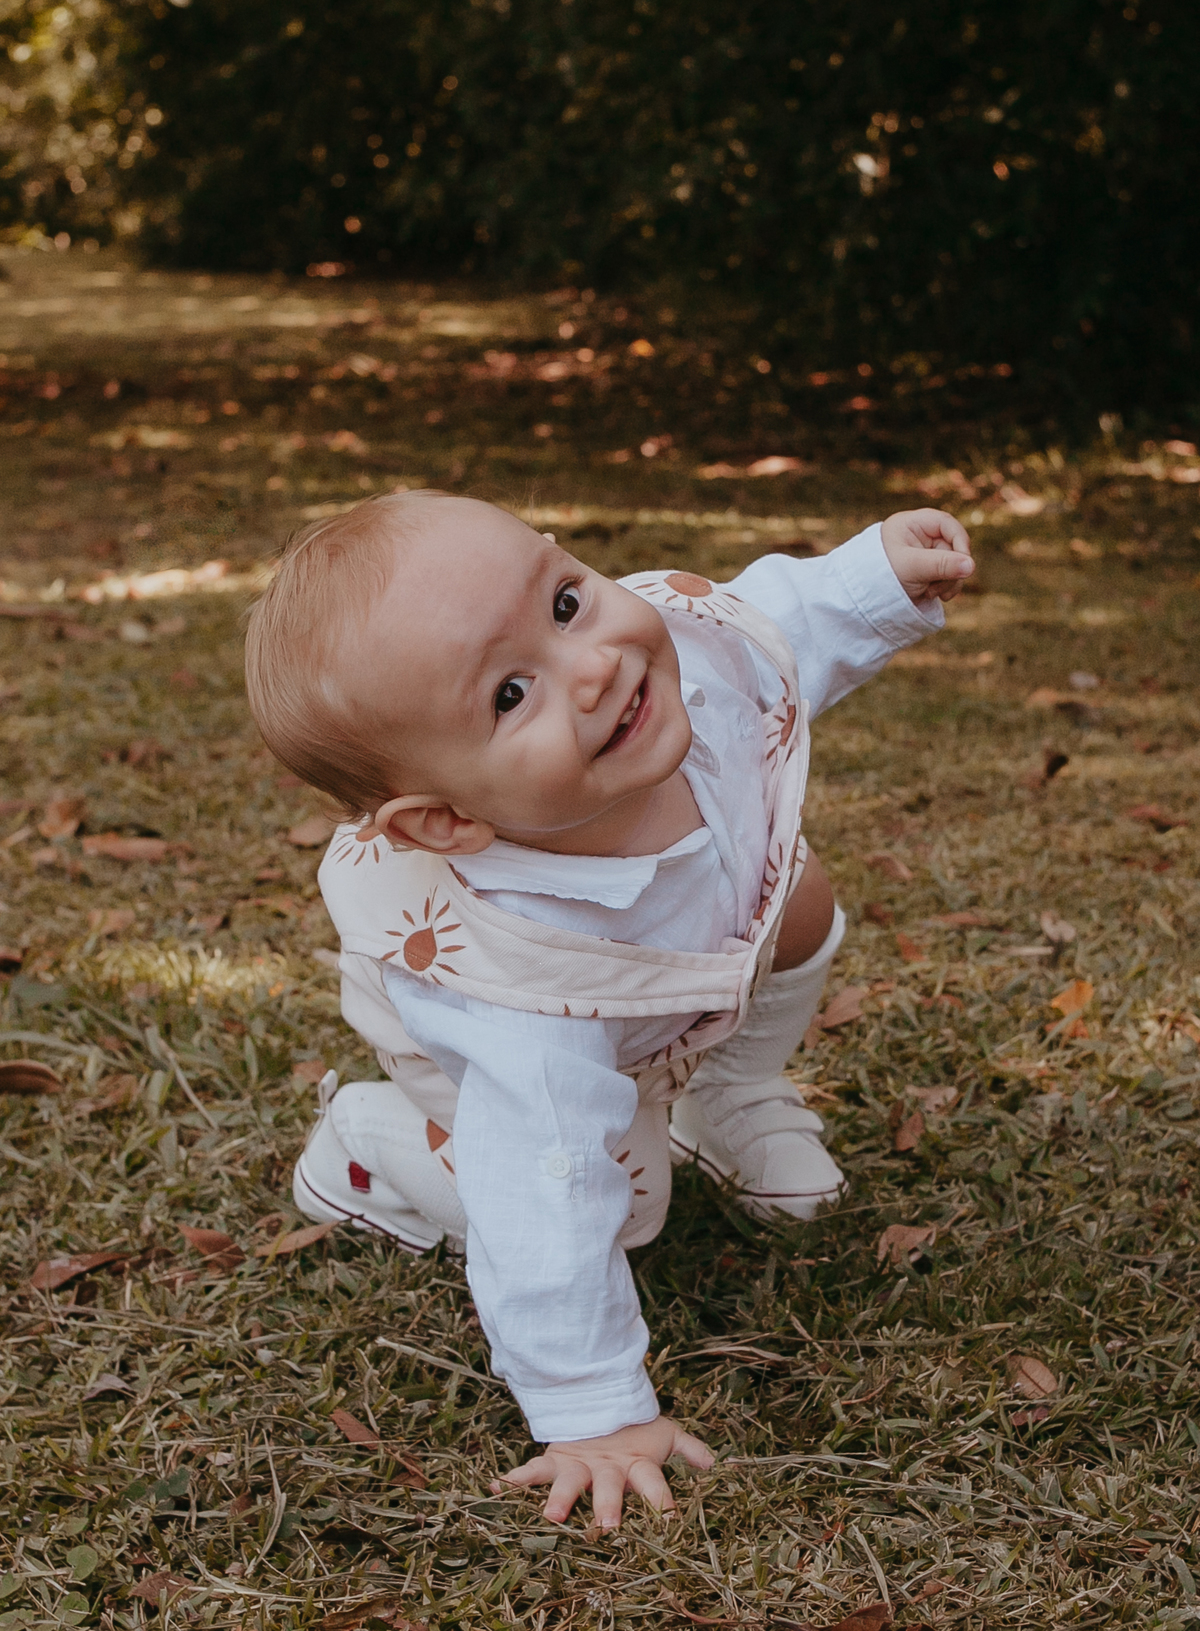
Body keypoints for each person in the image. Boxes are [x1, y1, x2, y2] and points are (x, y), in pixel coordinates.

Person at [243, 491, 972, 1530]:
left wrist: (876, 575)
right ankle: (371, 1149)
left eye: (567, 601)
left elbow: (770, 629)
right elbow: (541, 1194)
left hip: (675, 969)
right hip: (498, 1038)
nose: (592, 666)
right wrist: (593, 1411)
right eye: (508, 694)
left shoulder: (653, 667)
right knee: (617, 1196)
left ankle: (734, 1097)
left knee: (796, 893)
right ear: (447, 818)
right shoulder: (521, 1013)